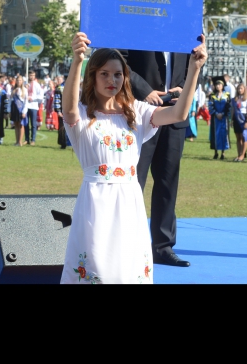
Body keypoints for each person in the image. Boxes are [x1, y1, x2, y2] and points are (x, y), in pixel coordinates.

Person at [62, 32, 207, 284]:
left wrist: (194, 69)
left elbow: (179, 113)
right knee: (97, 270)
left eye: (118, 74)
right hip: (96, 203)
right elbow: (69, 107)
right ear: (92, 76)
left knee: (129, 271)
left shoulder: (137, 112)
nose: (112, 80)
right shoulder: (82, 116)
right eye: (104, 74)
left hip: (130, 203)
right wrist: (77, 60)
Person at [121, 45, 199, 268]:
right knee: (133, 182)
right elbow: (119, 60)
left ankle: (163, 247)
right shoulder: (138, 24)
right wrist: (144, 90)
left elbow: (194, 65)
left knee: (167, 182)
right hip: (140, 112)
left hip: (174, 115)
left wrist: (182, 90)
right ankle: (126, 244)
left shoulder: (184, 32)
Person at [209, 77, 231, 161]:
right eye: (216, 85)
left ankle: (223, 153)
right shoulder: (212, 95)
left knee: (223, 134)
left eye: (220, 84)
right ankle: (215, 152)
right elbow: (210, 106)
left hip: (224, 118)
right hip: (215, 119)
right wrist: (216, 113)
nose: (218, 86)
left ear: (223, 85)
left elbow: (229, 106)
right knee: (215, 134)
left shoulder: (227, 95)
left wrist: (223, 114)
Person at [231, 82, 247, 162]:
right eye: (238, 88)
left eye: (241, 88)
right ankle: (239, 154)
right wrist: (231, 120)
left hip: (244, 118)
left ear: (244, 89)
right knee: (238, 137)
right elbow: (233, 110)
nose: (239, 90)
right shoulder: (235, 99)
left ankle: (243, 155)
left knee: (244, 137)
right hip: (236, 119)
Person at [24, 69, 44, 145]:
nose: (31, 77)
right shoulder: (25, 84)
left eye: (33, 75)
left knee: (33, 124)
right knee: (26, 123)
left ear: (34, 76)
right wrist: (25, 88)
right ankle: (26, 139)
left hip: (33, 106)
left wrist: (33, 98)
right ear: (28, 76)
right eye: (30, 75)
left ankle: (33, 139)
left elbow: (41, 96)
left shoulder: (37, 85)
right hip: (26, 106)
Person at [10, 75, 27, 146]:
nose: (18, 81)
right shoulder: (13, 89)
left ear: (22, 81)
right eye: (17, 80)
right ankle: (16, 141)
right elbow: (10, 100)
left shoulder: (25, 90)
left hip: (21, 109)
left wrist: (24, 111)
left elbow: (26, 102)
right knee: (16, 124)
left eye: (20, 80)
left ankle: (20, 141)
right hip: (14, 109)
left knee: (21, 125)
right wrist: (9, 110)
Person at [54, 76, 67, 149]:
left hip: (66, 110)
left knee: (64, 127)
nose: (57, 80)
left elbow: (57, 100)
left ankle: (65, 143)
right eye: (57, 79)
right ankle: (63, 143)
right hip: (62, 110)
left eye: (59, 79)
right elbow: (57, 100)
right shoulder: (59, 88)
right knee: (62, 127)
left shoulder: (61, 87)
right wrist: (58, 111)